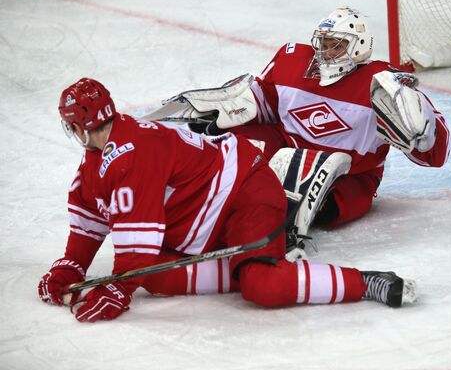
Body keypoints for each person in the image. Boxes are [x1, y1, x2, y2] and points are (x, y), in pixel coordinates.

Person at [38, 78, 417, 322]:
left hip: (245, 194)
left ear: (74, 126)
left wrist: (119, 287)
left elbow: (139, 241)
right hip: (206, 223)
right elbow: (90, 215)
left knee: (263, 286)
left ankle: (365, 282)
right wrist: (71, 265)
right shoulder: (97, 162)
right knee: (157, 279)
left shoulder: (133, 153)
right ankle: (246, 260)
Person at [150, 6, 450, 254]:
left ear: (359, 47)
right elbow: (265, 101)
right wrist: (225, 114)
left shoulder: (383, 83)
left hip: (350, 175)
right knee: (230, 150)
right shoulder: (293, 59)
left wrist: (421, 133)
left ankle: (268, 226)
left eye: (337, 44)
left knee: (325, 206)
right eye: (323, 42)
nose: (325, 51)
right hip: (286, 146)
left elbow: (435, 155)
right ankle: (193, 198)